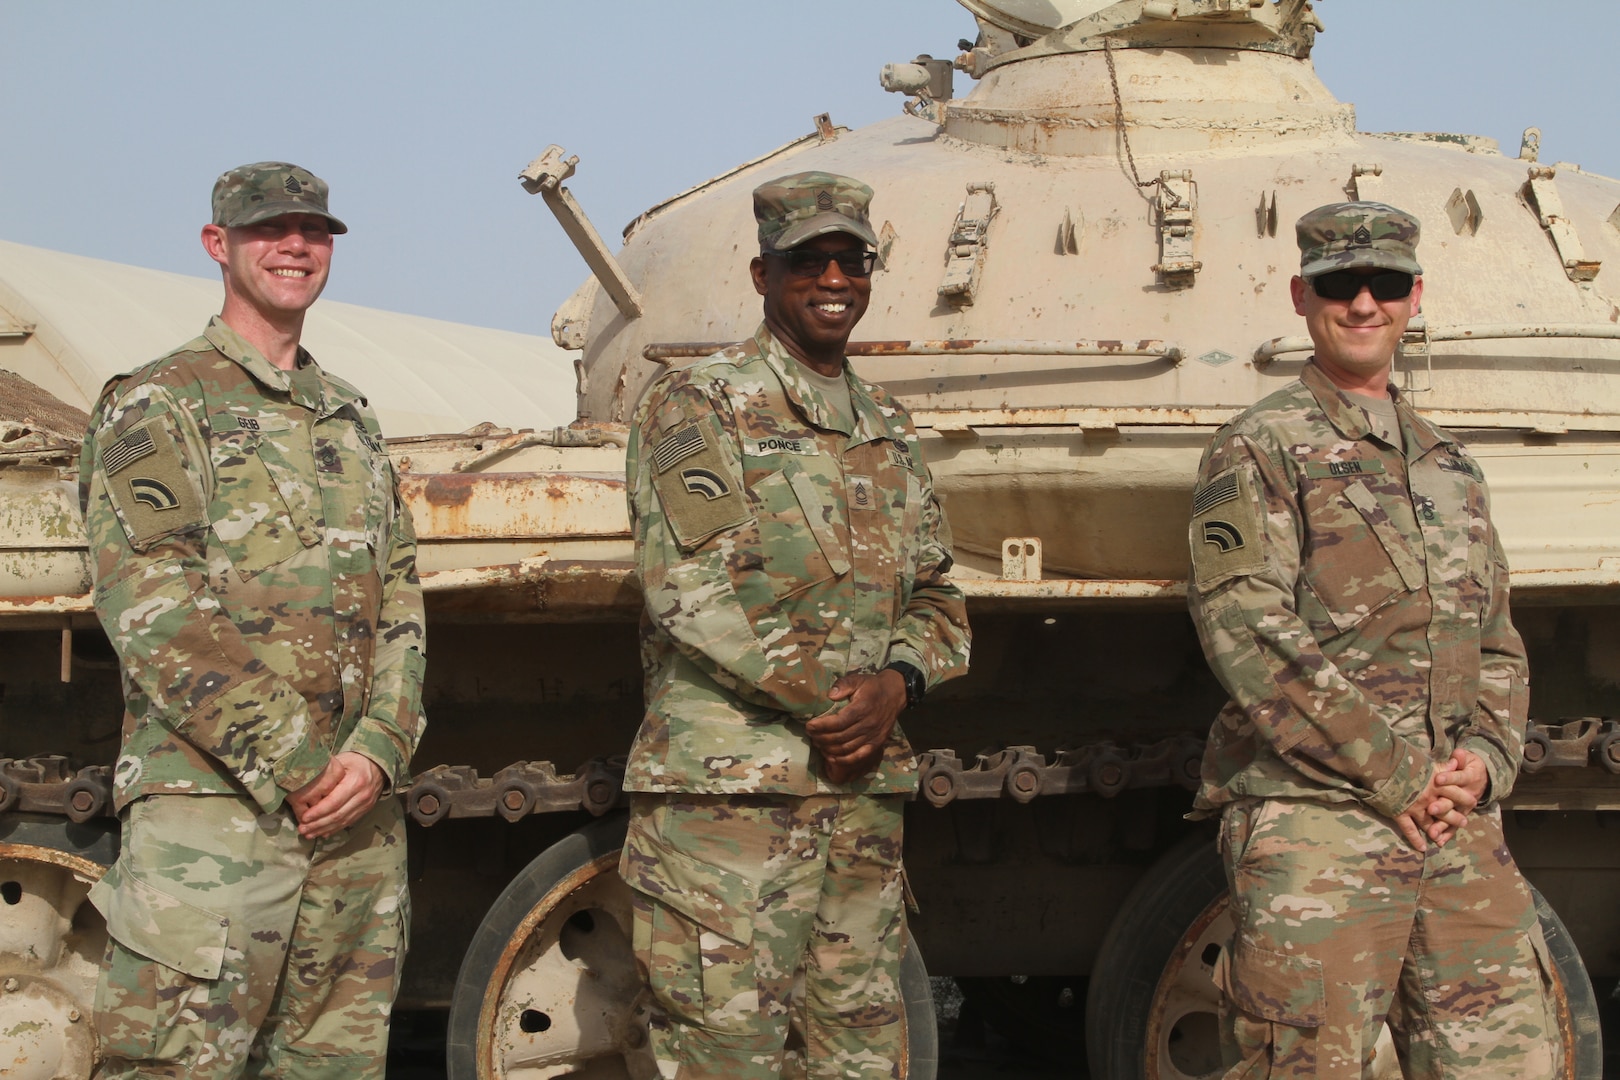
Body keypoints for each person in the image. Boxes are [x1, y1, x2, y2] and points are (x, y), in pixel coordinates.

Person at [1186, 201, 1559, 1078]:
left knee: (1512, 1062)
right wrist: (1399, 777)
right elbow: (1246, 630)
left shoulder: (1450, 466)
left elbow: (1496, 638)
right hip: (1321, 824)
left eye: (1384, 284)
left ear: (1414, 296)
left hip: (1456, 827)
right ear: (1300, 296)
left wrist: (1482, 761)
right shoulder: (1255, 449)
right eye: (1339, 285)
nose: (1363, 304)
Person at [618, 171, 971, 1079]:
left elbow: (936, 593)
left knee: (859, 1053)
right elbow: (693, 588)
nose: (832, 279)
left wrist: (896, 686)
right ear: (760, 273)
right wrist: (839, 704)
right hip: (733, 806)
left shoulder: (886, 424)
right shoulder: (698, 404)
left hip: (858, 805)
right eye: (806, 260)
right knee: (722, 1054)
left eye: (850, 259)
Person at [79, 162, 425, 1080]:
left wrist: (383, 745)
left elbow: (401, 592)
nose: (295, 247)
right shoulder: (157, 402)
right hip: (216, 818)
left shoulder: (350, 416)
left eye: (313, 231)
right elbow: (153, 604)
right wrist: (305, 766)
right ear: (218, 246)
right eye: (270, 230)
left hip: (354, 829)